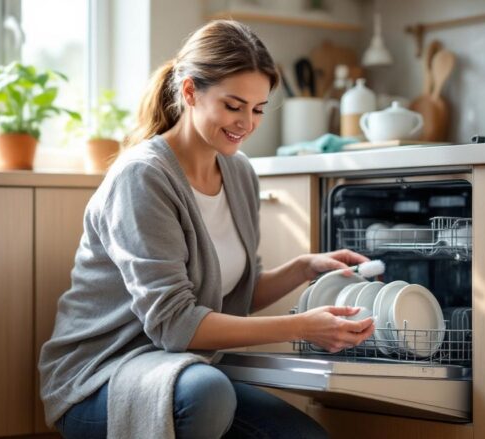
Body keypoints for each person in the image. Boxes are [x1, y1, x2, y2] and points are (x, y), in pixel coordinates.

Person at [38, 20, 375, 439]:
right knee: (208, 393)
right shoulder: (143, 177)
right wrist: (302, 325)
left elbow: (234, 296)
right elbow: (176, 325)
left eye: (257, 109)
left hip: (183, 371)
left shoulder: (239, 172)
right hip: (103, 376)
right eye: (233, 106)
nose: (247, 124)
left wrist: (304, 268)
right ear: (190, 92)